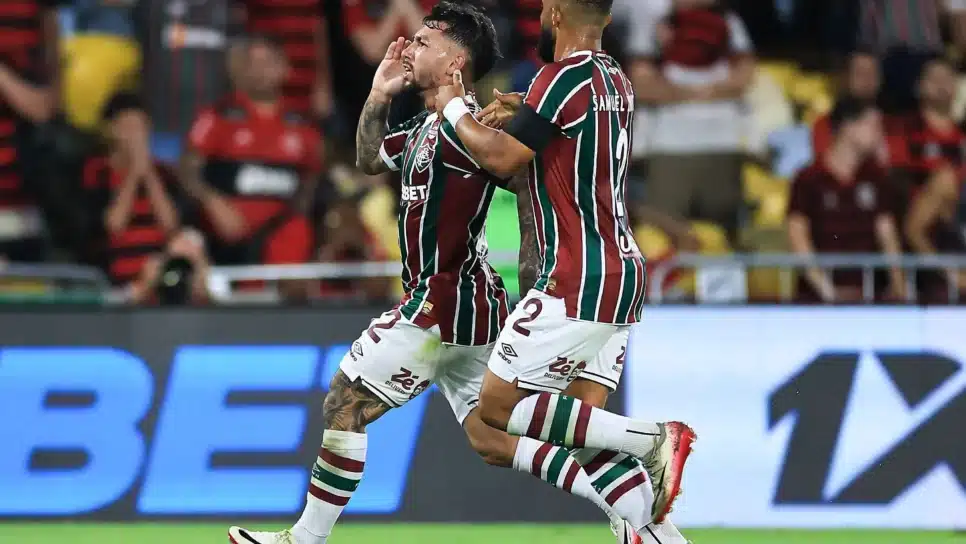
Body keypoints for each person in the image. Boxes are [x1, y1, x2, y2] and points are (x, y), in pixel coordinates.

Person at [228, 4, 683, 544]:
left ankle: (305, 538)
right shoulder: (430, 128)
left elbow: (517, 172)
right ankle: (639, 522)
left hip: (448, 302)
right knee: (501, 436)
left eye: (423, 39)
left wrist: (540, 267)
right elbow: (371, 159)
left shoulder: (466, 124)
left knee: (346, 399)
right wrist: (379, 95)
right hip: (499, 300)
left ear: (455, 59)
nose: (409, 46)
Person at [436, 0, 695, 528]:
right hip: (623, 270)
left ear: (554, 14)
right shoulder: (616, 79)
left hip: (577, 276)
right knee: (584, 439)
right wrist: (525, 113)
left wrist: (453, 107)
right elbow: (566, 149)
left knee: (497, 406)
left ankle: (655, 437)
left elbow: (505, 160)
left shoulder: (559, 76)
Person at [182, 35, 321, 301]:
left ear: (285, 68)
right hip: (226, 242)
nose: (259, 70)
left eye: (267, 62)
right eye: (252, 63)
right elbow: (187, 170)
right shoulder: (220, 117)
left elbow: (312, 178)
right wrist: (212, 201)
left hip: (282, 242)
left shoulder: (303, 125)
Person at [787, 97, 906, 303]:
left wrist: (899, 284)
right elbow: (798, 241)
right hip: (817, 301)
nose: (880, 134)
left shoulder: (876, 179)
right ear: (849, 127)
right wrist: (827, 292)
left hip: (868, 297)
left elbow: (887, 235)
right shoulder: (808, 179)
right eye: (873, 125)